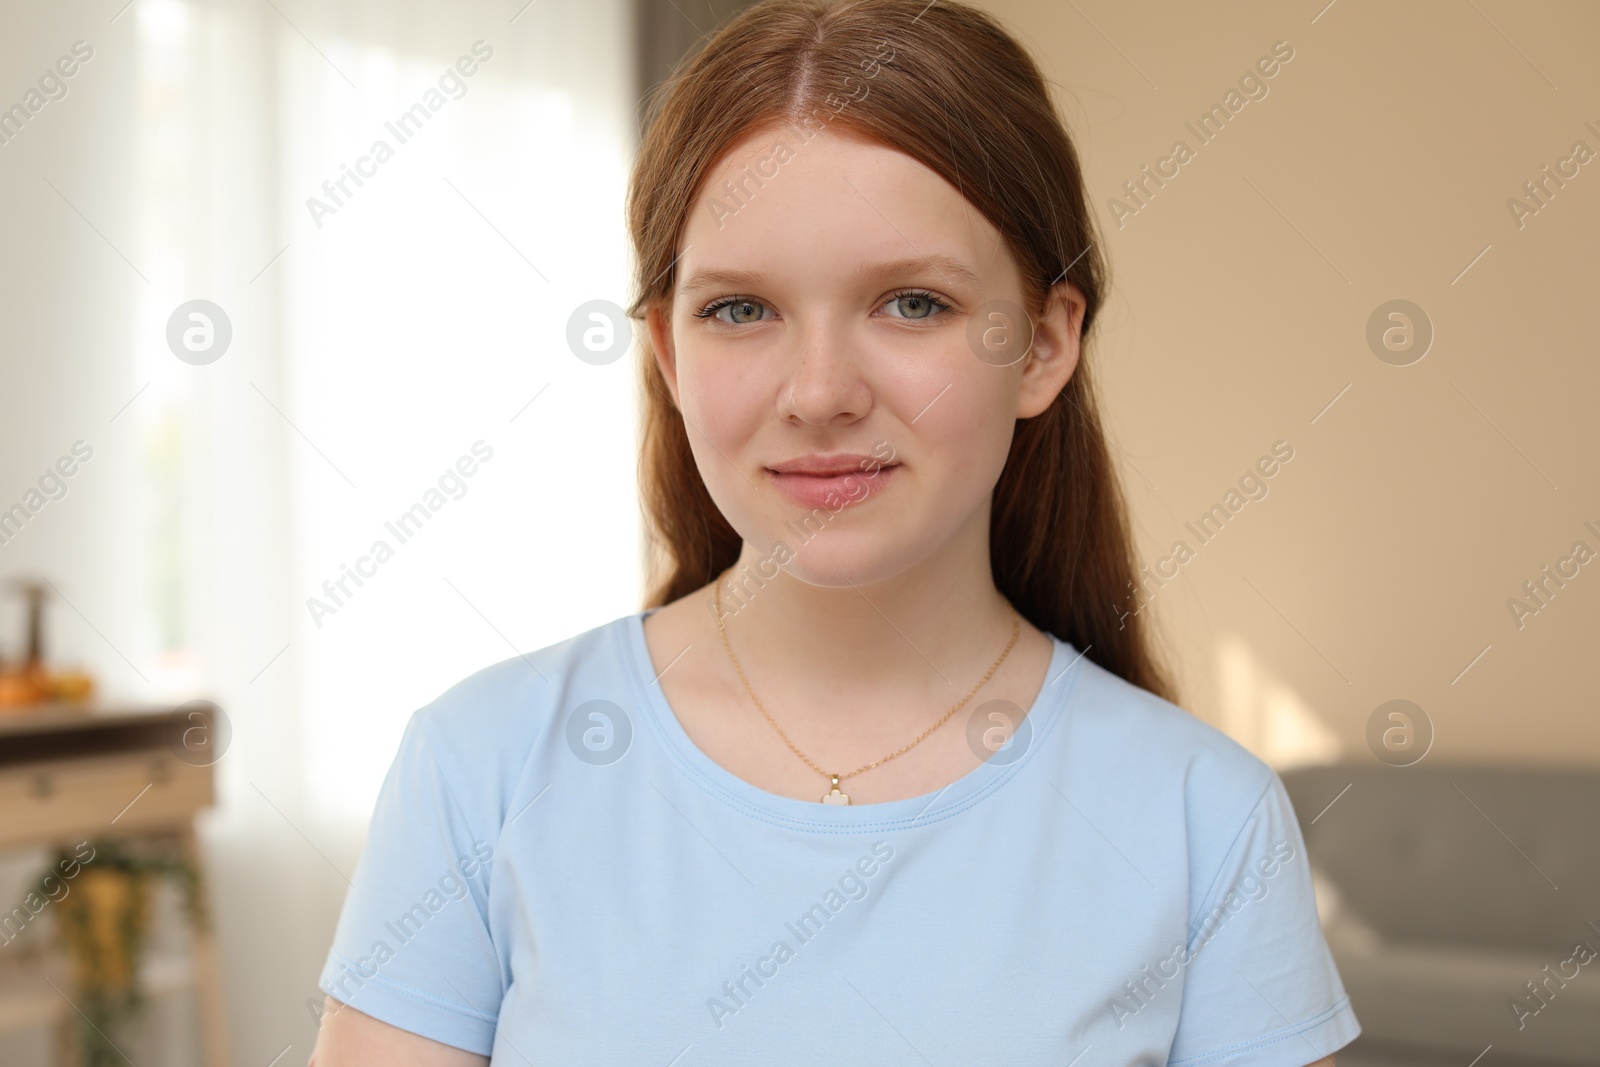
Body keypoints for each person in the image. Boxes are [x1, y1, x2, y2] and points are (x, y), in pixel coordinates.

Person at [309, 0, 1360, 1062]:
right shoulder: (480, 768)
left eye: (910, 303)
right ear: (668, 355)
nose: (818, 392)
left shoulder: (1203, 820)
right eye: (738, 309)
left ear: (1042, 344)